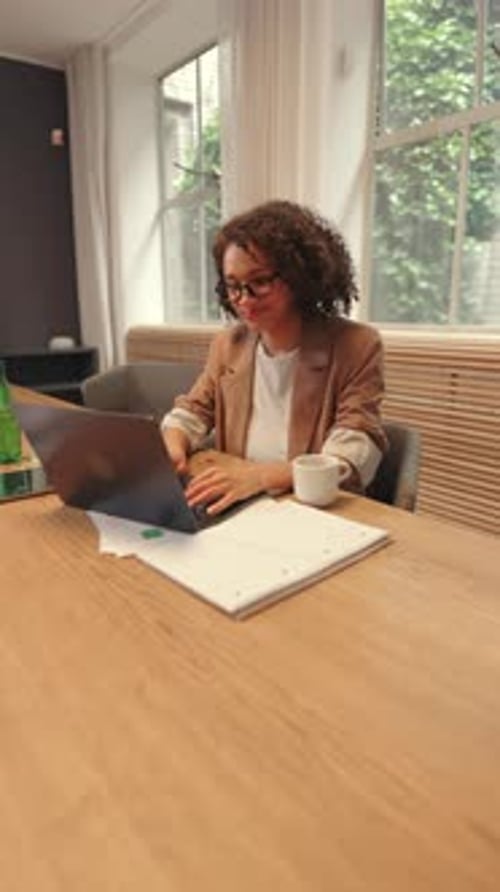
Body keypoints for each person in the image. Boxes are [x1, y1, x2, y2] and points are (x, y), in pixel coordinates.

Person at [162, 199, 387, 516]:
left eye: (260, 282)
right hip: (241, 505)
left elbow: (353, 453)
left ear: (300, 276)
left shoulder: (356, 345)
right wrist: (173, 443)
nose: (243, 300)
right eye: (233, 286)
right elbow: (193, 411)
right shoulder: (229, 344)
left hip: (313, 511)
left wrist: (261, 476)